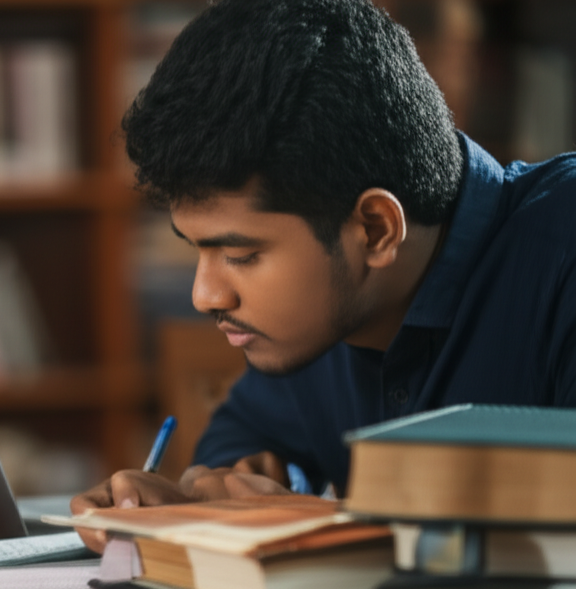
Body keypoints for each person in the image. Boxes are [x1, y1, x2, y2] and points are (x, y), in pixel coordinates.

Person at [72, 0, 576, 550]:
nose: (204, 294)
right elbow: (241, 438)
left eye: (239, 256)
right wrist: (213, 491)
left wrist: (329, 527)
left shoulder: (560, 259)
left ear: (377, 230)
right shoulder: (313, 325)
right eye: (195, 250)